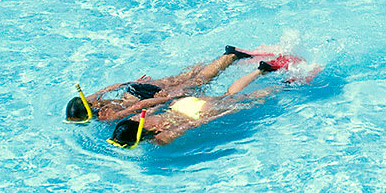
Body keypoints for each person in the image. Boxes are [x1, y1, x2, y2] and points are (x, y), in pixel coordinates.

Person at [107, 57, 290, 147]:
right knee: (227, 94)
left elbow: (192, 125)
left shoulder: (160, 139)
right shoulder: (136, 119)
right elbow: (154, 107)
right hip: (179, 105)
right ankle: (260, 70)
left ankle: (285, 85)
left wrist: (221, 114)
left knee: (245, 99)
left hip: (198, 112)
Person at [65, 46, 258, 123]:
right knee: (184, 76)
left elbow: (139, 106)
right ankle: (222, 56)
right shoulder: (89, 99)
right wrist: (133, 82)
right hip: (133, 89)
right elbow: (109, 88)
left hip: (147, 97)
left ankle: (231, 56)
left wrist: (167, 99)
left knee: (197, 82)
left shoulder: (107, 116)